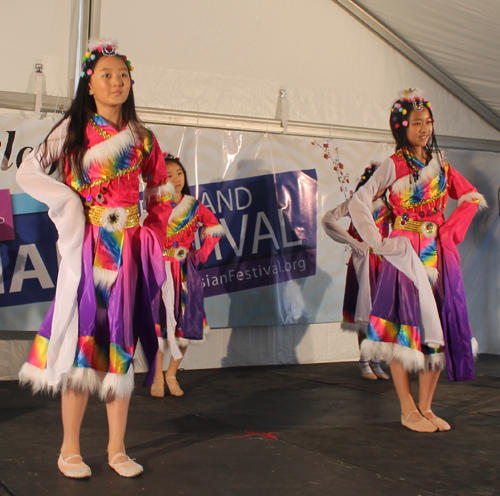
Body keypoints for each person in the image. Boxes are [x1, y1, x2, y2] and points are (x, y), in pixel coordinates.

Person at [17, 39, 174, 478]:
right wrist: (68, 208)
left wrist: (155, 235)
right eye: (106, 75)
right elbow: (29, 169)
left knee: (119, 345)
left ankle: (117, 448)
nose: (116, 82)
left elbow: (160, 191)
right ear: (90, 83)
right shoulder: (73, 129)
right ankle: (69, 449)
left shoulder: (144, 138)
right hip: (89, 250)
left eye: (122, 75)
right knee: (84, 343)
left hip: (127, 250)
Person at [348, 89, 485, 433]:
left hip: (439, 254)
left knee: (436, 330)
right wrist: (379, 240)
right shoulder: (392, 165)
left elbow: (470, 196)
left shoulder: (442, 165)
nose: (424, 128)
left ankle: (425, 406)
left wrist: (451, 230)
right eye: (417, 123)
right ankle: (407, 408)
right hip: (405, 252)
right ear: (401, 127)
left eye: (428, 122)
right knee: (403, 331)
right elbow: (359, 202)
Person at [151, 154, 224, 398]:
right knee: (160, 324)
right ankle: (157, 376)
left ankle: (172, 372)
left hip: (184, 272)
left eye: (179, 173)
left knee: (186, 322)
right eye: (170, 175)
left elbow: (212, 227)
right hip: (161, 270)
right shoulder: (155, 205)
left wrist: (200, 255)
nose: (177, 179)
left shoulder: (194, 205)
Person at [322, 164, 392, 380]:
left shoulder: (389, 207)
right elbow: (328, 219)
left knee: (381, 313)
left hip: (383, 262)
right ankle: (364, 362)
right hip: (363, 263)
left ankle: (377, 361)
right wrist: (354, 242)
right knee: (364, 313)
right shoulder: (356, 203)